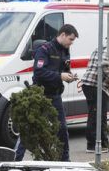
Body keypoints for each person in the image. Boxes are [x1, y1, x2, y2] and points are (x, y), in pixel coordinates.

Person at [14, 24, 78, 161]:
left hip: (55, 95)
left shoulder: (65, 51)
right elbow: (39, 72)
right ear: (63, 35)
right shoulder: (45, 50)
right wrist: (60, 76)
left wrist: (70, 76)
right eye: (71, 39)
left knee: (62, 129)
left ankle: (65, 161)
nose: (71, 43)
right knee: (29, 129)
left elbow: (65, 69)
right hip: (40, 95)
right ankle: (16, 160)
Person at [81, 47, 109, 152]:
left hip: (90, 84)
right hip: (95, 86)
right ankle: (92, 145)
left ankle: (103, 143)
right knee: (96, 116)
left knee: (98, 115)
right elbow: (104, 64)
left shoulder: (99, 48)